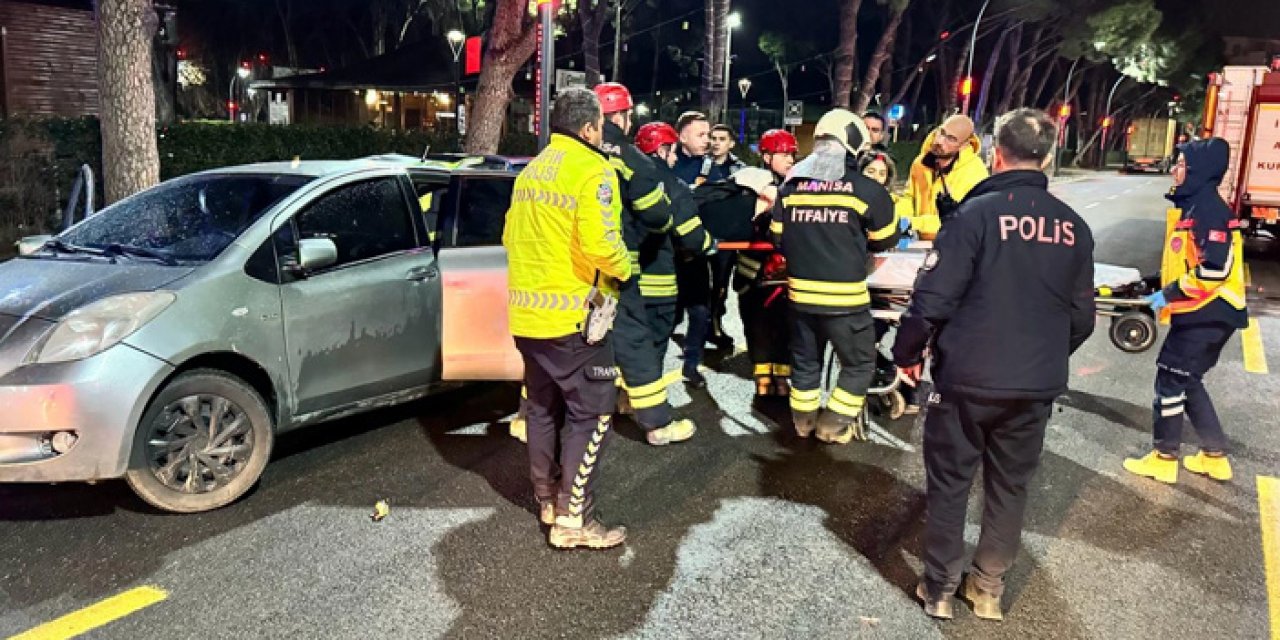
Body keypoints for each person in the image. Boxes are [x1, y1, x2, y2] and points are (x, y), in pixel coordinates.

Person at [892, 108, 1096, 619]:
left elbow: (932, 299)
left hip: (967, 379)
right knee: (1010, 487)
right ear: (1048, 157)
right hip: (1034, 387)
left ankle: (938, 589)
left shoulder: (973, 216)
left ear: (993, 153)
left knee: (950, 482)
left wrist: (907, 354)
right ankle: (987, 590)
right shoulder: (1074, 228)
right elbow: (1082, 318)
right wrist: (1043, 358)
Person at [503, 88, 632, 549]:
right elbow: (601, 244)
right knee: (592, 414)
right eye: (602, 125)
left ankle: (546, 499)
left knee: (540, 408)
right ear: (590, 127)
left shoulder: (531, 171)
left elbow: (509, 235)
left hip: (527, 318)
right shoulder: (594, 170)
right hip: (574, 320)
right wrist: (625, 267)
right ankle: (573, 520)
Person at [1122, 137, 1248, 484]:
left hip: (1206, 313)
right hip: (1205, 313)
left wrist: (1169, 294)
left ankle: (1164, 457)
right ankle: (1214, 456)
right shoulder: (1194, 207)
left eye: (1180, 164)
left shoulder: (1207, 210)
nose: (1174, 169)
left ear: (1197, 171)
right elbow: (1185, 261)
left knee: (1170, 379)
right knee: (1188, 381)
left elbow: (1214, 269)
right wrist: (1149, 284)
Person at [773, 109, 899, 443]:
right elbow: (886, 240)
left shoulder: (791, 186)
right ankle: (832, 426)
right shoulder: (868, 190)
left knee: (805, 362)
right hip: (847, 303)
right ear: (855, 143)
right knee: (859, 364)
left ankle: (803, 423)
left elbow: (777, 237)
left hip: (799, 299)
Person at [594, 82, 699, 445]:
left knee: (564, 345)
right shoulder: (630, 158)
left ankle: (530, 422)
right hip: (613, 269)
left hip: (565, 270)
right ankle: (657, 423)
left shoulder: (566, 154)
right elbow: (658, 217)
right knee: (634, 341)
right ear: (621, 117)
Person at [632, 121, 718, 388]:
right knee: (655, 345)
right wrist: (709, 244)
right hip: (664, 277)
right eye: (670, 151)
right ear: (662, 150)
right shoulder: (673, 183)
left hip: (629, 280)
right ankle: (649, 409)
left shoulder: (625, 178)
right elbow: (692, 235)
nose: (674, 157)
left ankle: (624, 398)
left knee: (630, 344)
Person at [731, 129, 798, 398]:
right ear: (767, 156)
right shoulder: (753, 181)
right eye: (784, 154)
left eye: (792, 154)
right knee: (757, 321)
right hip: (755, 268)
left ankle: (781, 376)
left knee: (785, 322)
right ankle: (762, 376)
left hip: (785, 268)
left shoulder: (798, 184)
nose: (791, 160)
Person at [896, 114, 989, 240]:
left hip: (956, 244)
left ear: (964, 145)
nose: (939, 141)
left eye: (951, 139)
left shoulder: (975, 173)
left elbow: (957, 219)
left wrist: (915, 223)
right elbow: (909, 196)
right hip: (919, 242)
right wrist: (902, 217)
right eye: (941, 132)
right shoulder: (920, 163)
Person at [672, 111, 713, 187]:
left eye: (708, 135)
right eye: (701, 135)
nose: (707, 140)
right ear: (682, 137)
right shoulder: (667, 163)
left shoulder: (710, 165)